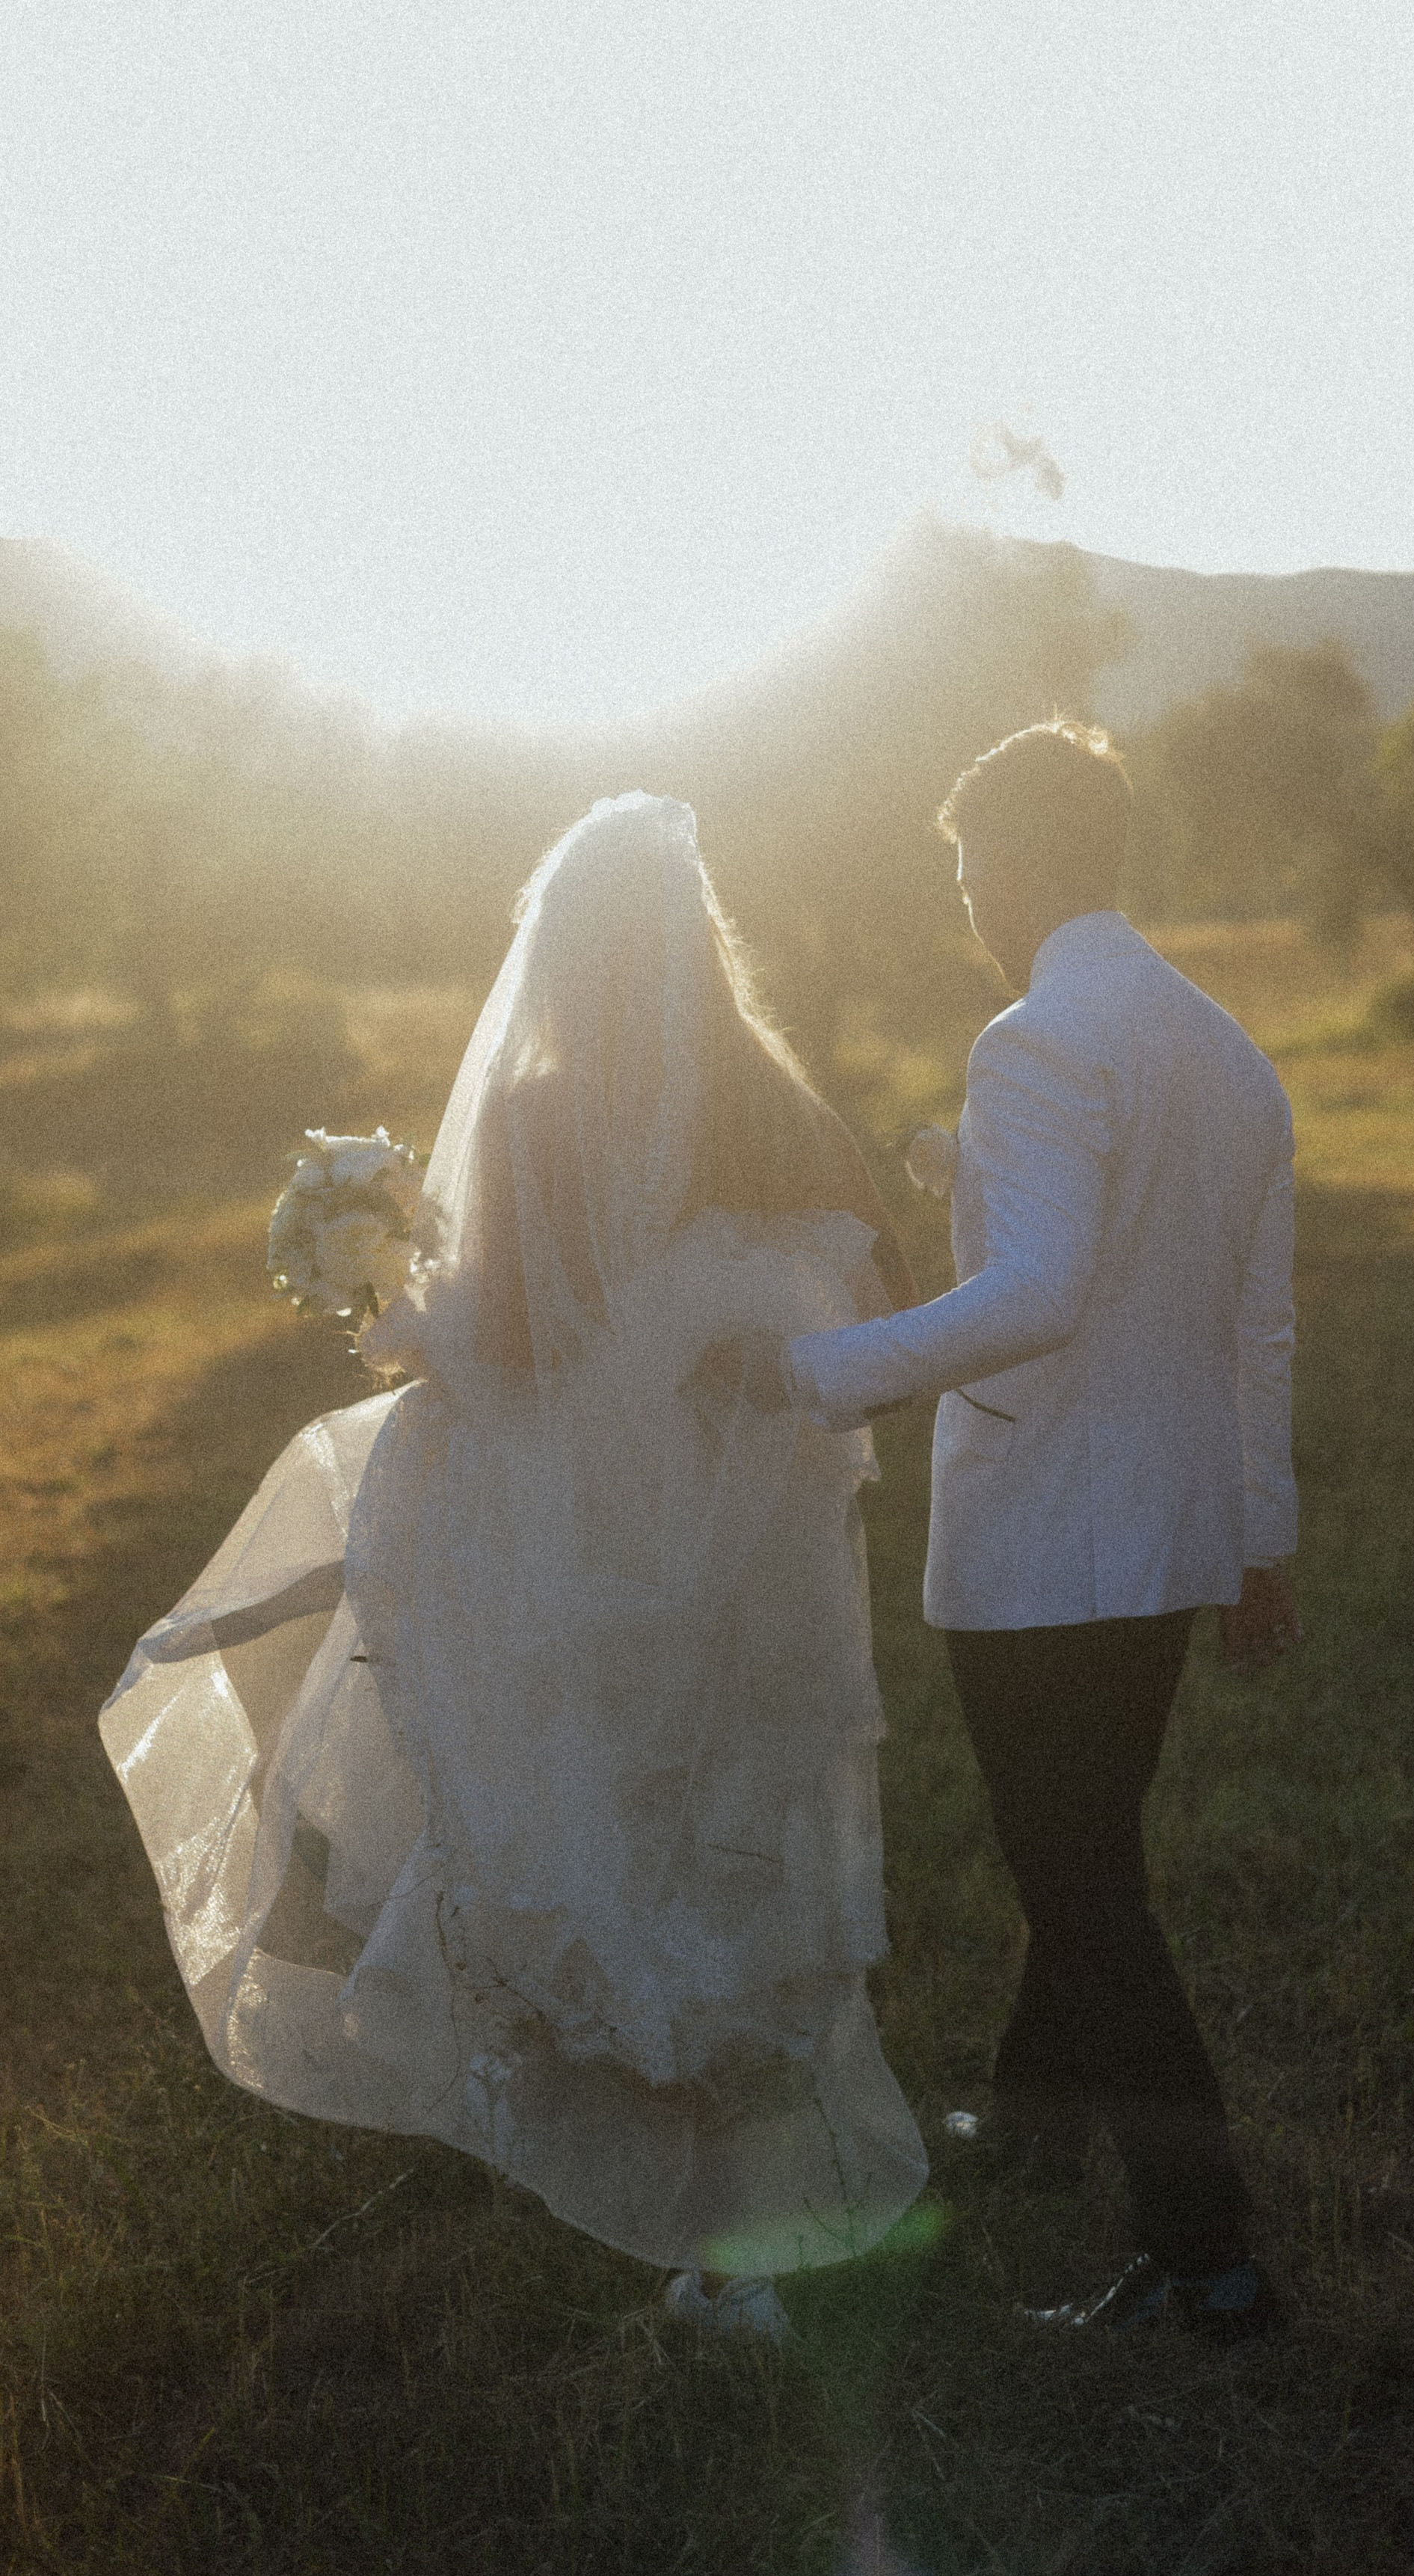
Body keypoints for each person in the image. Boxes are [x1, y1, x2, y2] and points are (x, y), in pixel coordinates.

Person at [99, 792, 928, 2343]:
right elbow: (885, 1327)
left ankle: (709, 2225)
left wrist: (402, 1316)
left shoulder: (550, 1117)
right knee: (750, 1853)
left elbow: (522, 1359)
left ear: (560, 955)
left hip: (597, 1573)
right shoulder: (792, 1115)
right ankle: (775, 2220)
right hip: (766, 1579)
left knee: (620, 1861)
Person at [707, 721, 1300, 2343]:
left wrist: (809, 1372)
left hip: (1044, 1541)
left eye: (969, 870)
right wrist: (1258, 1536)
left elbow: (1040, 1294)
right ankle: (1026, 2135)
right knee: (1083, 1848)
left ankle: (1209, 2261)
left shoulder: (1034, 1036)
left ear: (1019, 864)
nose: (966, 902)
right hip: (1165, 1536)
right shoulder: (1221, 1046)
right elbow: (1250, 1318)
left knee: (1081, 1880)